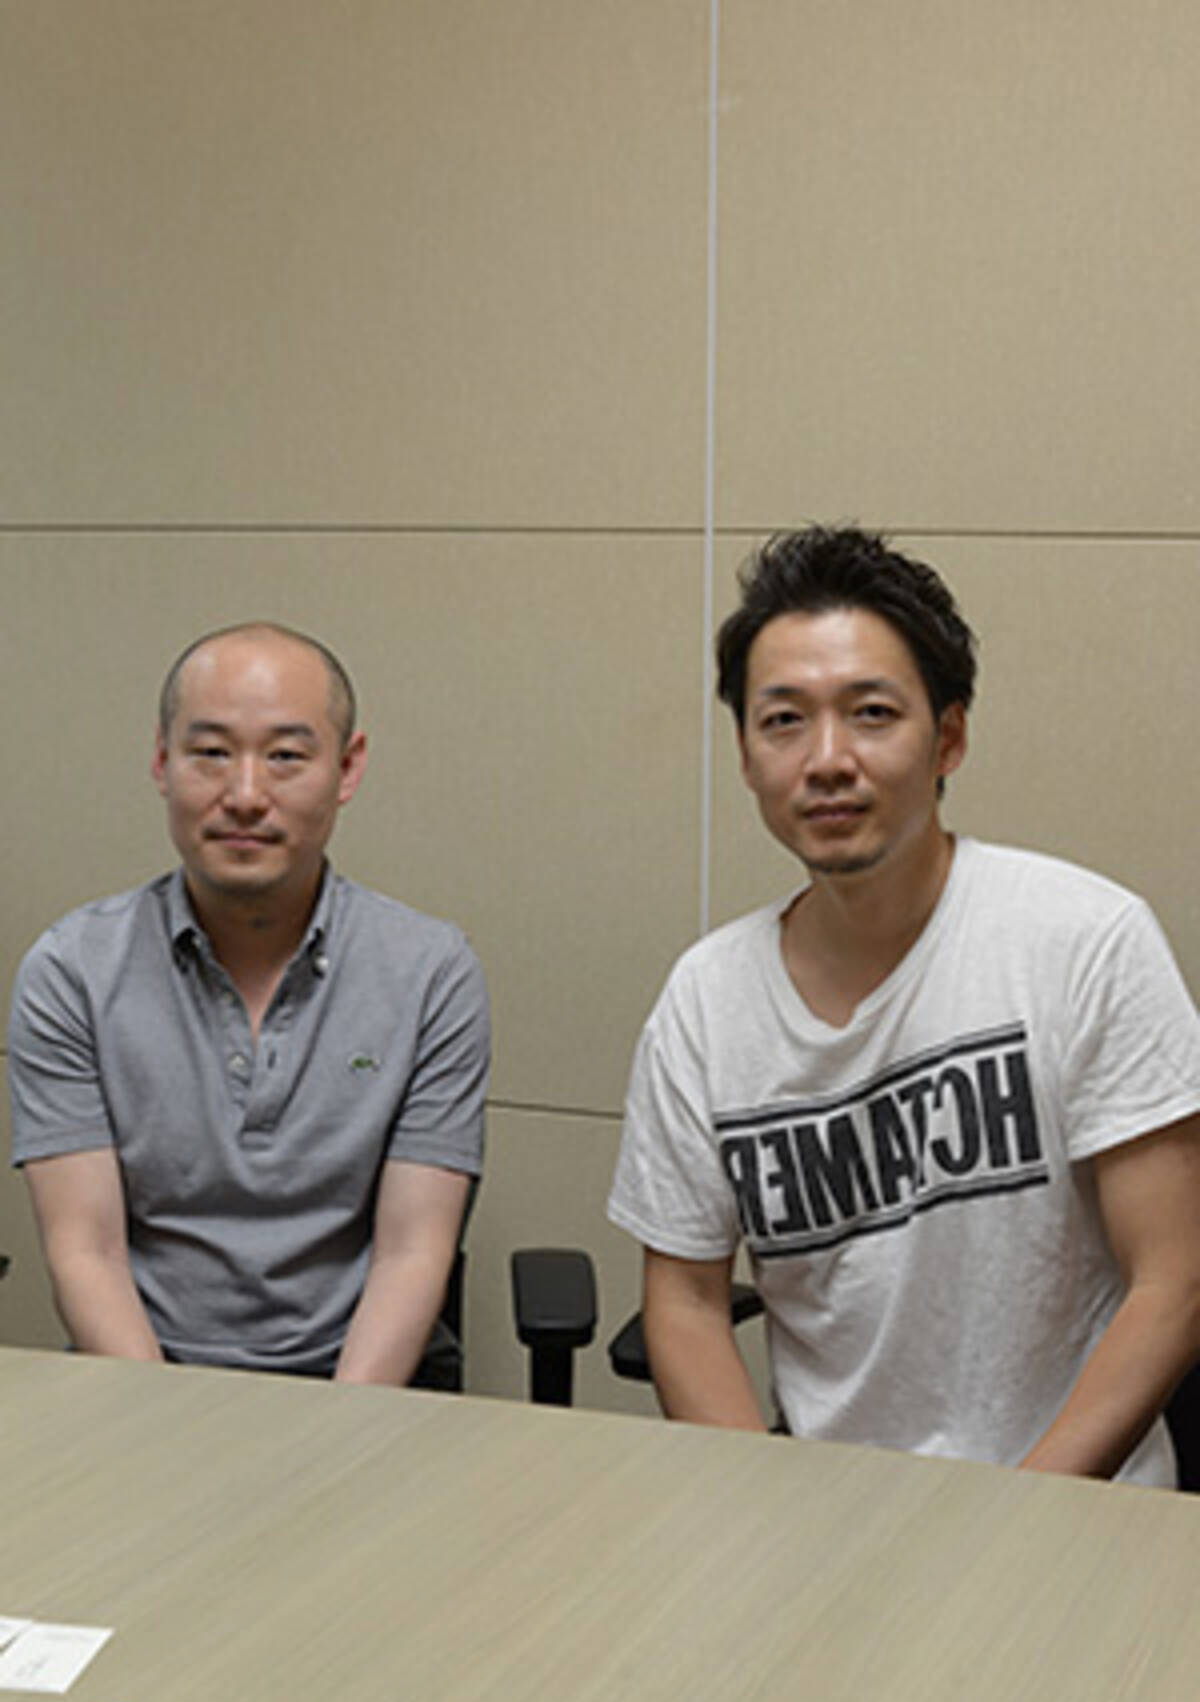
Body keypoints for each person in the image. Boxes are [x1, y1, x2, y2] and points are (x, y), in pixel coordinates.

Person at [608, 525, 1200, 1483]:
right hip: (830, 1514)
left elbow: (1174, 1281)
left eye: (872, 714)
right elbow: (684, 1301)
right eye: (783, 720)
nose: (827, 759)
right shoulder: (705, 1001)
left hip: (1076, 1506)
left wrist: (1019, 1513)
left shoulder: (1085, 940)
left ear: (948, 738)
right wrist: (764, 1503)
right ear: (747, 756)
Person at [8, 622, 489, 1385]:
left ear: (347, 768)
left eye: (286, 756)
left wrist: (340, 1432)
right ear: (162, 762)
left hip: (360, 1386)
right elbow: (85, 1252)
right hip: (145, 1380)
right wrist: (163, 1426)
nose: (244, 795)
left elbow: (412, 1252)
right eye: (210, 752)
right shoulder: (72, 971)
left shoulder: (430, 971)